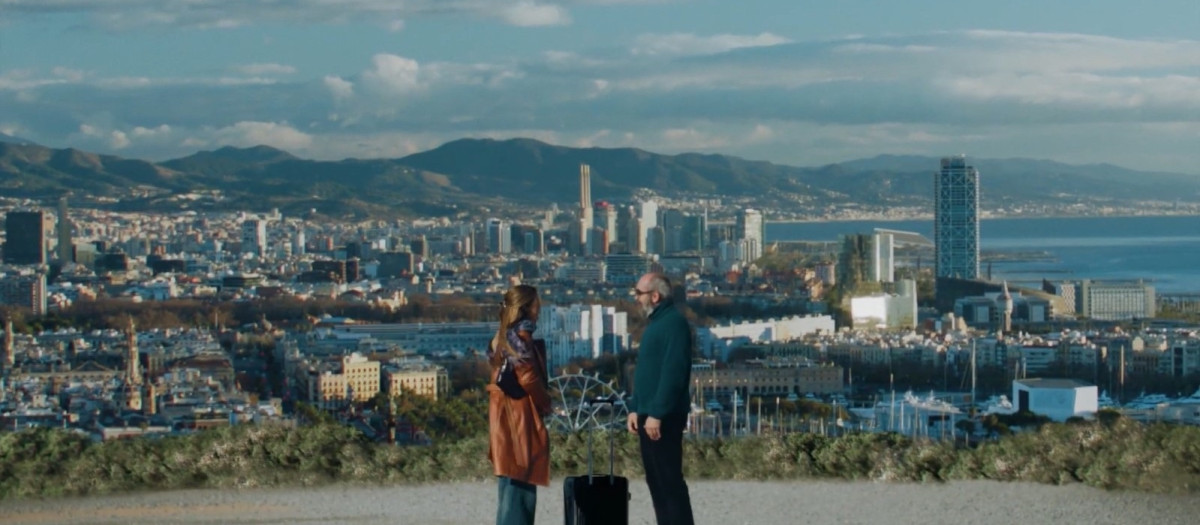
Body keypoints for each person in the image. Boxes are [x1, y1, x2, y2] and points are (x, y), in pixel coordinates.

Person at [626, 272, 695, 525]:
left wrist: (657, 413)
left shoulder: (673, 323)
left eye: (639, 293)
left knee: (669, 482)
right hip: (648, 414)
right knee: (656, 482)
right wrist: (635, 408)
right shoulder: (657, 323)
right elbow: (647, 371)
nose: (635, 298)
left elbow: (673, 373)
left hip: (662, 417)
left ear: (655, 296)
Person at [487, 284, 552, 525]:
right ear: (527, 308)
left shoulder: (502, 335)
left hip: (504, 416)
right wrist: (546, 402)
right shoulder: (521, 337)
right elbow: (528, 378)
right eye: (537, 304)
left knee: (509, 484)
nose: (540, 308)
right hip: (520, 416)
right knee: (521, 481)